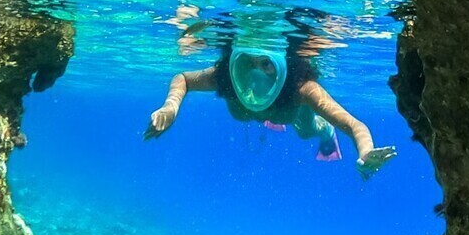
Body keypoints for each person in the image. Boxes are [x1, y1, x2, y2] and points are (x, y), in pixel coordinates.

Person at [144, 39, 396, 178]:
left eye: (266, 63)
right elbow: (184, 79)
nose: (255, 73)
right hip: (269, 112)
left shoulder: (301, 88)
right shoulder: (227, 77)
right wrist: (171, 107)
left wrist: (366, 151)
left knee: (306, 130)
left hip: (290, 112)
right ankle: (270, 118)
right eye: (247, 62)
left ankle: (323, 130)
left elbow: (354, 125)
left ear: (282, 63)